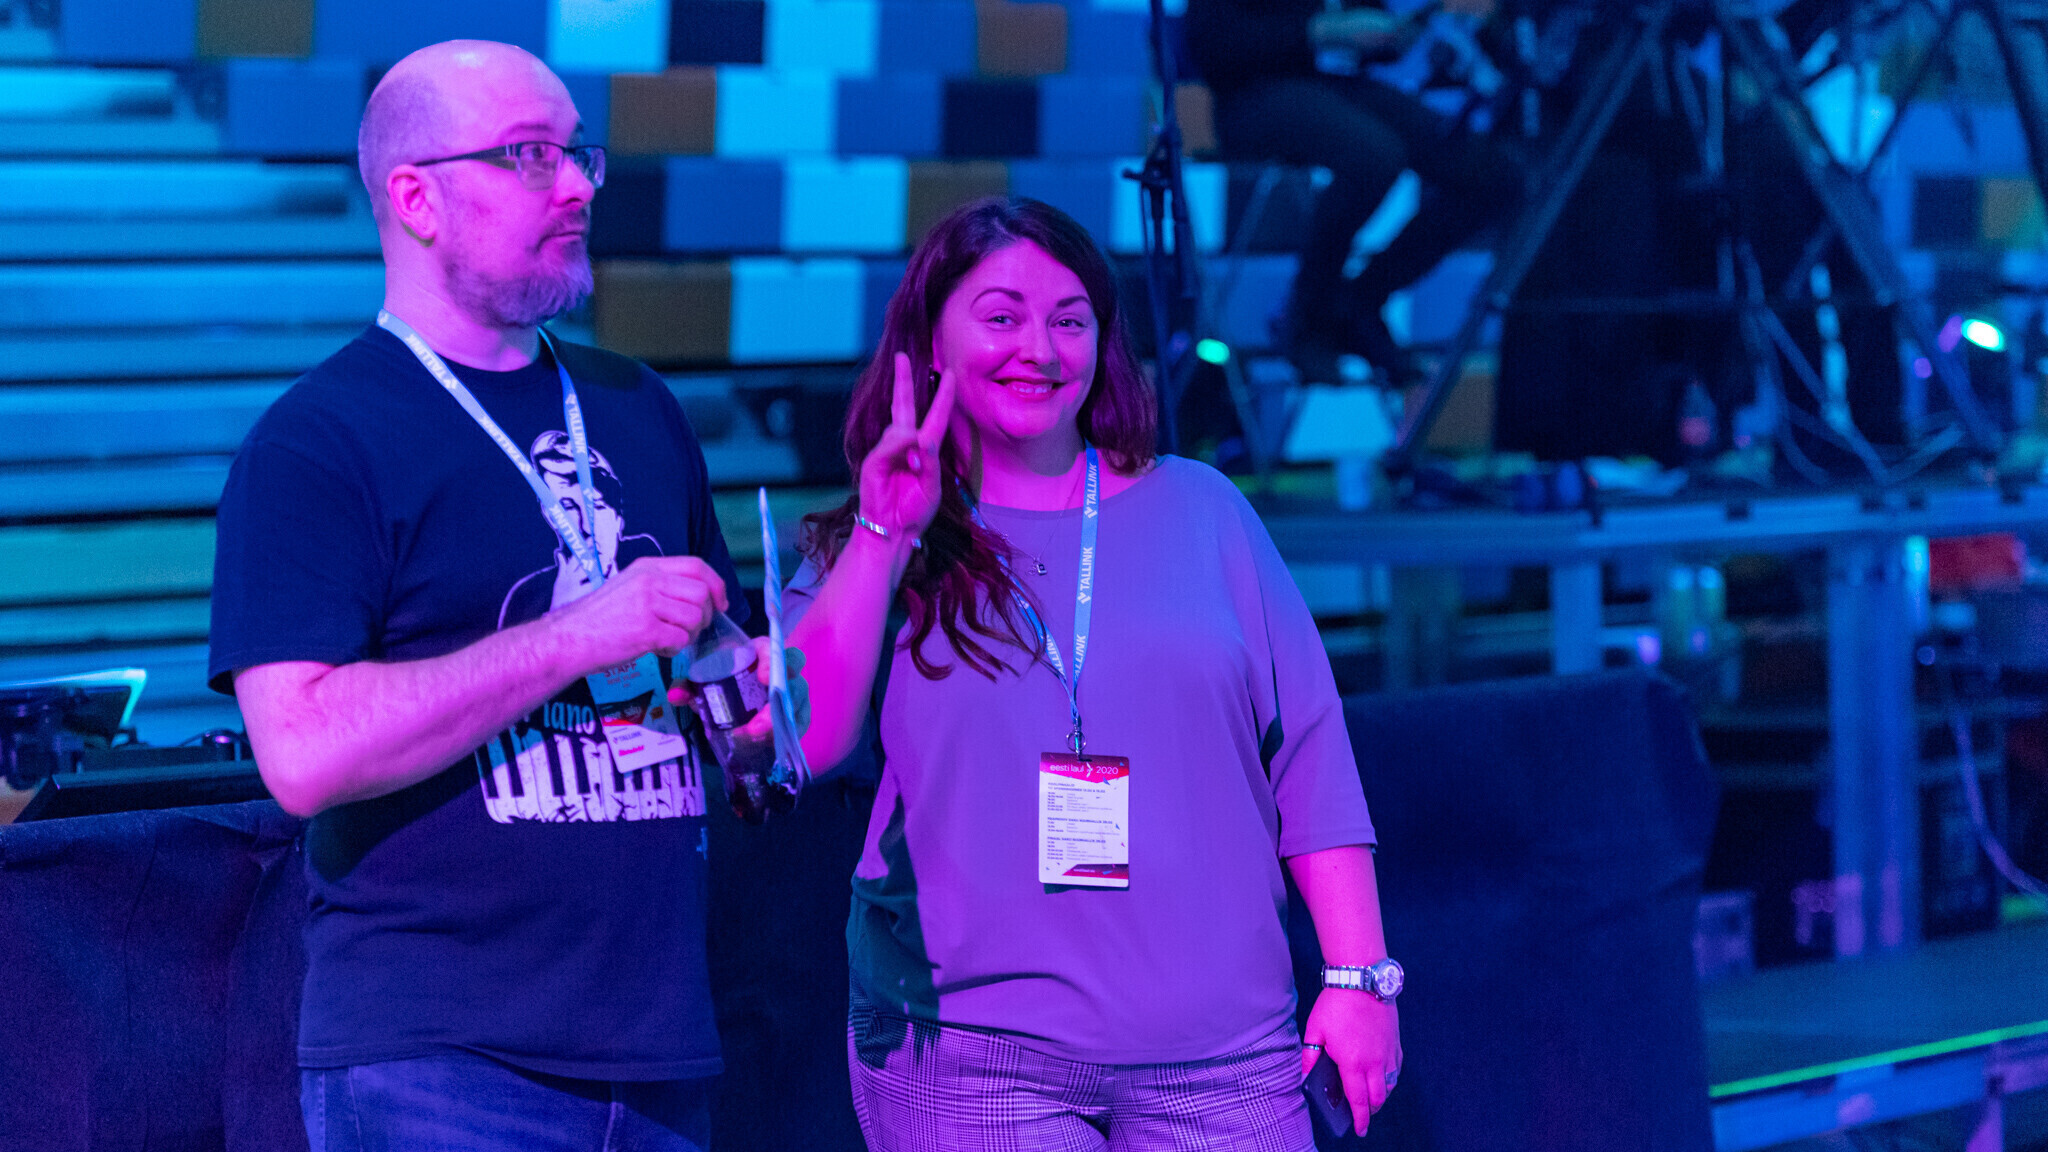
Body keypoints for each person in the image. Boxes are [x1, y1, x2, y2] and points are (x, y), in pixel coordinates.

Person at [208, 40, 774, 1151]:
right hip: (443, 1065)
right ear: (415, 199)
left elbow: (727, 694)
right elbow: (303, 753)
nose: (575, 189)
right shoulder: (319, 442)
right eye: (527, 156)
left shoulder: (635, 405)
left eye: (577, 155)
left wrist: (756, 690)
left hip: (657, 1051)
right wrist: (573, 637)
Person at [784, 196, 1403, 1149]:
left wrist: (1360, 977)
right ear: (932, 339)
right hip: (970, 1056)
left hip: (1226, 1055)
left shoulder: (1203, 508)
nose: (1038, 348)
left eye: (1069, 321)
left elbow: (1310, 756)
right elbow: (804, 741)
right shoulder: (871, 538)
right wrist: (882, 534)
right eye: (1002, 317)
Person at [1186, 0, 1521, 385]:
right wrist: (1322, 31)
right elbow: (1212, 46)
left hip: (1337, 85)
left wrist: (1400, 32)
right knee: (1373, 157)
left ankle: (1359, 302)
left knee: (1493, 176)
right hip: (1251, 94)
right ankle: (1307, 317)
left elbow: (1376, 38)